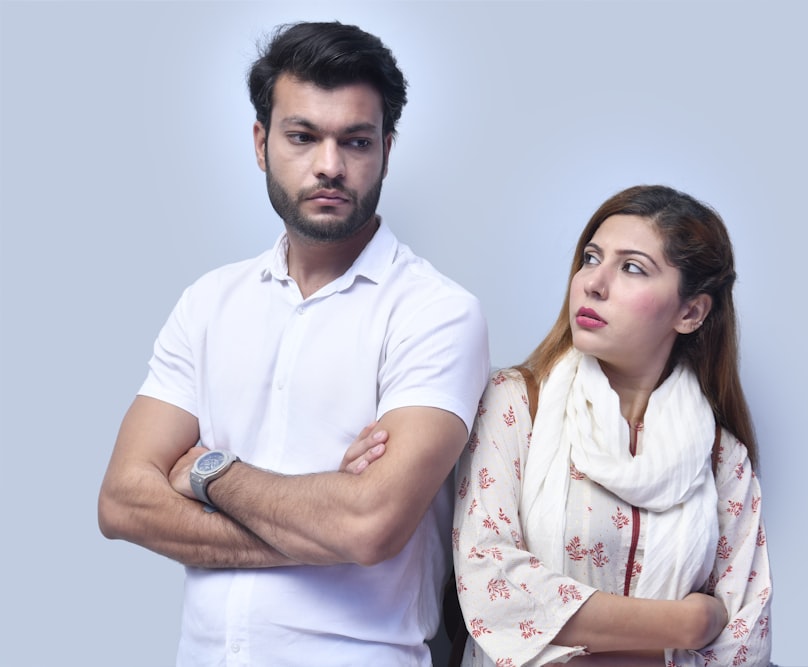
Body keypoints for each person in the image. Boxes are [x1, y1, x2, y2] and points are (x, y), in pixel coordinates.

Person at [97, 21, 490, 666]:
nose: (329, 166)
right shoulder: (208, 302)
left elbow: (371, 524)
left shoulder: (437, 313)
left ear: (387, 150)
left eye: (356, 142)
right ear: (261, 143)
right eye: (303, 136)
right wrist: (320, 524)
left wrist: (207, 472)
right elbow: (121, 501)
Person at [451, 185, 772, 666]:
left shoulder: (720, 457)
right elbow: (489, 581)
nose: (592, 283)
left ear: (690, 312)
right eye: (591, 258)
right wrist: (690, 623)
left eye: (632, 268)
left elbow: (746, 637)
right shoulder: (516, 403)